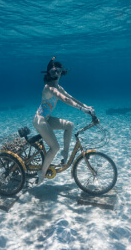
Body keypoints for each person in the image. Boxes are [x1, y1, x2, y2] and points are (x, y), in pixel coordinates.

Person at [33, 57, 94, 185]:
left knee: (69, 125)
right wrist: (82, 109)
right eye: (53, 72)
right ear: (48, 74)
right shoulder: (49, 88)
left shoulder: (58, 87)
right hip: (39, 120)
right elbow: (64, 100)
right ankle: (42, 173)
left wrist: (86, 106)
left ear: (62, 72)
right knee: (54, 147)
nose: (56, 74)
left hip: (47, 119)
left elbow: (70, 97)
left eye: (58, 71)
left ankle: (65, 154)